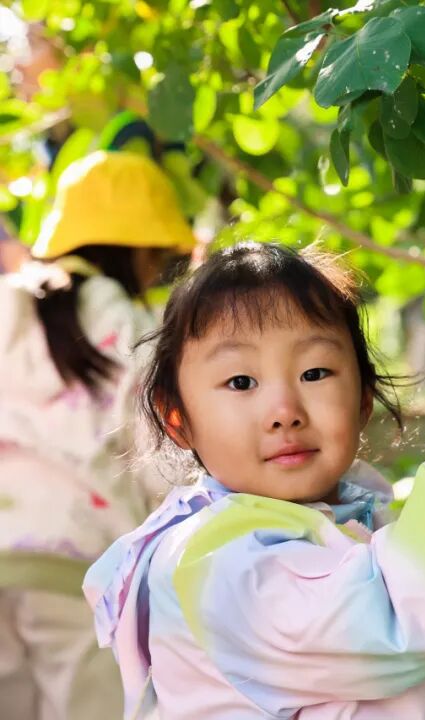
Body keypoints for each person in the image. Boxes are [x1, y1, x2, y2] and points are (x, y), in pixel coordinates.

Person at [83, 242, 425, 719]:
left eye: (315, 372)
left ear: (363, 398)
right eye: (241, 382)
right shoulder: (221, 565)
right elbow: (401, 615)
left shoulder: (345, 516)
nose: (284, 411)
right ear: (178, 419)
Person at [0, 150, 195, 720]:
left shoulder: (7, 301)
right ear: (139, 249)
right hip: (76, 570)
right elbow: (161, 460)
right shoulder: (128, 325)